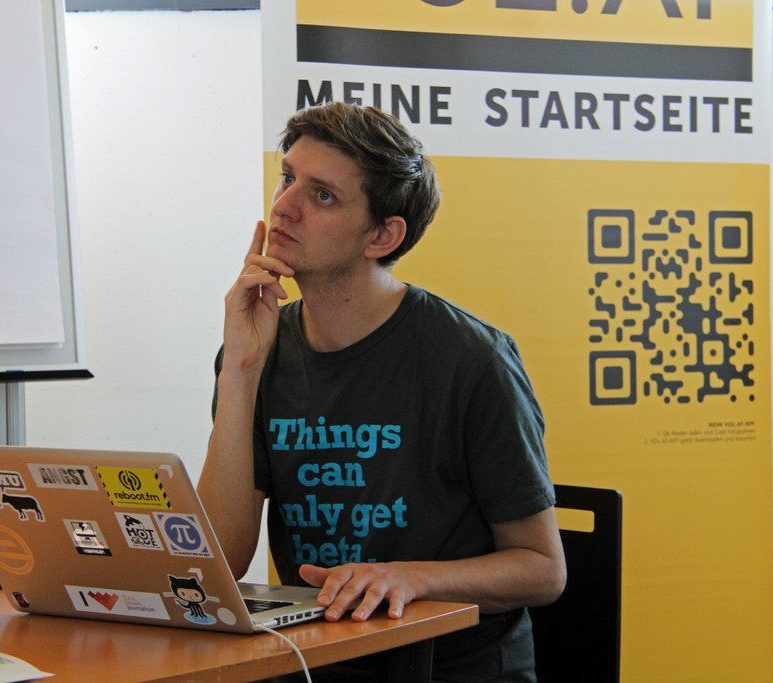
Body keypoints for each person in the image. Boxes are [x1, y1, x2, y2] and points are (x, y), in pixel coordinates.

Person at [197, 102, 565, 681]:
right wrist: (240, 370)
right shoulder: (256, 351)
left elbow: (543, 569)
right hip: (318, 658)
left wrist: (411, 576)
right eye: (287, 178)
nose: (284, 206)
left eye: (322, 196)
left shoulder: (473, 359)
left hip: (449, 668)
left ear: (382, 235)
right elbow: (219, 561)